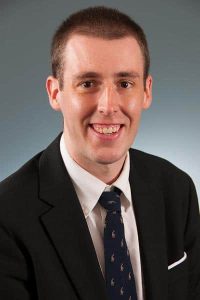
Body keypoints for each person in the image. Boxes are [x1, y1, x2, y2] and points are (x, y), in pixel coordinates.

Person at [0, 6, 199, 300]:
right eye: (88, 84)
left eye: (124, 83)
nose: (107, 106)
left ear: (146, 91)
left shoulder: (176, 189)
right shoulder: (8, 216)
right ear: (56, 93)